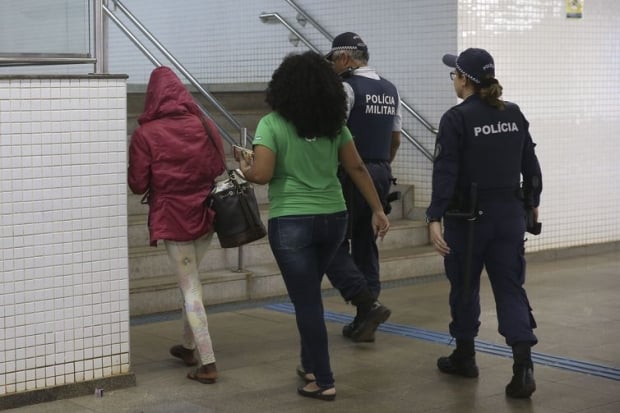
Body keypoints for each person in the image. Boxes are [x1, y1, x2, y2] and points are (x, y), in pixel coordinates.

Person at [237, 51, 390, 401]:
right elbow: (357, 169)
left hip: (292, 222)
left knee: (307, 302)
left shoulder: (271, 124)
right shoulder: (335, 125)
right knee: (310, 297)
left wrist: (244, 166)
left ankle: (323, 379)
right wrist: (378, 209)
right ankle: (309, 364)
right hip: (334, 219)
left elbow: (261, 174)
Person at [426, 48, 542, 399]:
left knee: (464, 286)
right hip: (509, 215)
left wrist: (434, 216)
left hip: (469, 220)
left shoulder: (456, 118)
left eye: (454, 75)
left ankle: (465, 356)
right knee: (510, 288)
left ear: (464, 79)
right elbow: (530, 165)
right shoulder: (514, 113)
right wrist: (532, 206)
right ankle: (523, 367)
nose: (453, 81)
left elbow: (446, 172)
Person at [128, 66, 226, 384]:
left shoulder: (146, 134)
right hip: (205, 213)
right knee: (191, 283)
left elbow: (138, 184)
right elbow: (218, 166)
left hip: (173, 216)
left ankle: (208, 362)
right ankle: (187, 347)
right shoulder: (204, 124)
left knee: (190, 288)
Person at [323, 32, 402, 342]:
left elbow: (335, 135)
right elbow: (395, 139)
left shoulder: (346, 87)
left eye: (332, 60)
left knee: (334, 242)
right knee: (367, 245)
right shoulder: (390, 88)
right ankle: (365, 319)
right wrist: (381, 168)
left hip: (351, 172)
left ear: (344, 58)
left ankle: (366, 305)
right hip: (381, 169)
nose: (331, 67)